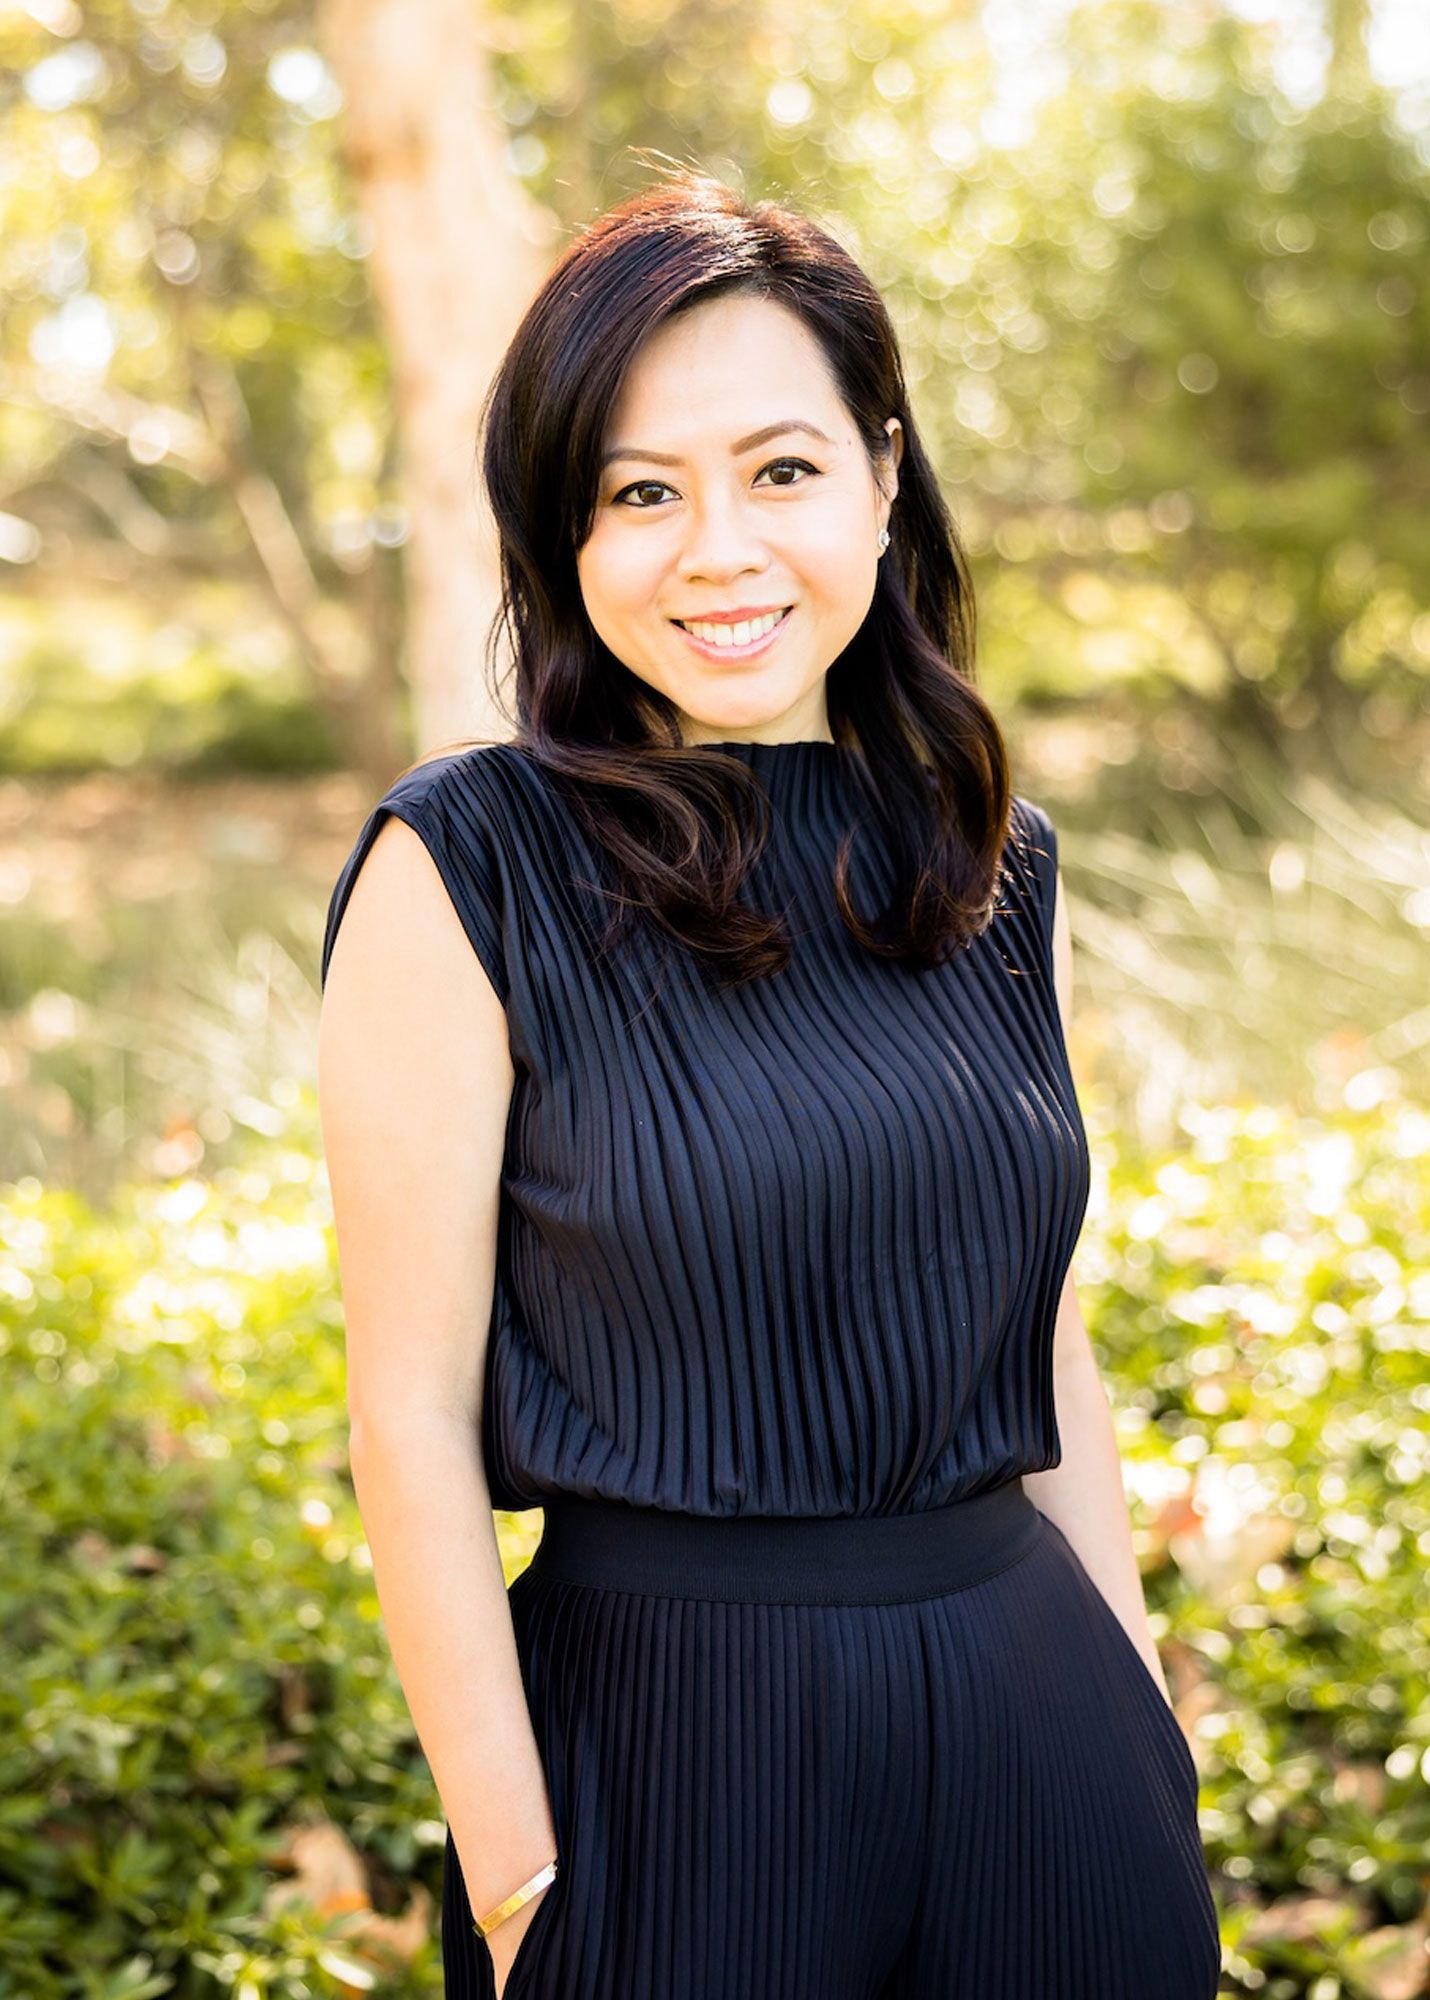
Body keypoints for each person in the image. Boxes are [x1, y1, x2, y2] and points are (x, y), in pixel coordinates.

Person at [317, 168, 1222, 2000]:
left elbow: (1040, 1336)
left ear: (882, 482)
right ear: (560, 538)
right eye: (640, 493)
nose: (717, 548)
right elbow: (406, 1416)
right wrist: (512, 1875)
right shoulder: (463, 866)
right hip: (666, 1758)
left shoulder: (988, 857)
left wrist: (1141, 1727)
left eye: (779, 470)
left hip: (1042, 1734)